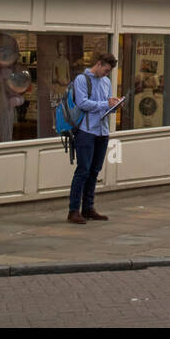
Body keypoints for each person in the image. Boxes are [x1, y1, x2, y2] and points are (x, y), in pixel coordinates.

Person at [67, 51, 119, 224]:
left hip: (102, 131)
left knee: (94, 171)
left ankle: (88, 208)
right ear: (98, 64)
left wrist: (114, 105)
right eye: (105, 70)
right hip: (86, 131)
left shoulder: (106, 81)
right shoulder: (82, 79)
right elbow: (82, 103)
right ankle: (73, 210)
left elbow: (105, 104)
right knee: (83, 170)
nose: (106, 74)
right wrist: (106, 104)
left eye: (108, 72)